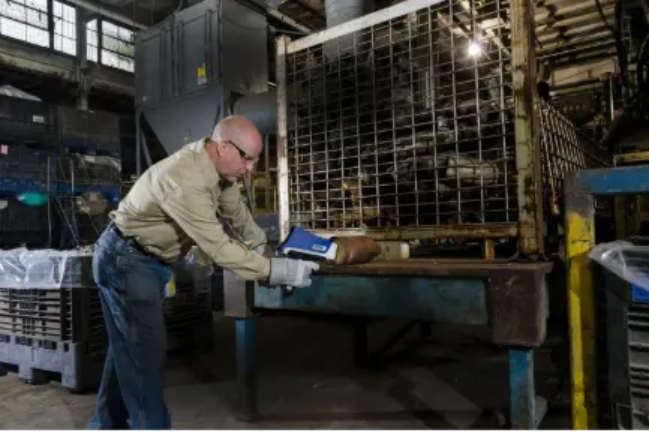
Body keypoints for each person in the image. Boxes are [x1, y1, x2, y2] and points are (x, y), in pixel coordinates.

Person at [88, 116, 318, 431]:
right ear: (223, 146)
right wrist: (276, 271)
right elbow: (219, 247)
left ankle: (104, 425)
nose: (250, 168)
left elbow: (238, 215)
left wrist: (266, 252)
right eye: (247, 159)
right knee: (144, 358)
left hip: (147, 262)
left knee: (128, 347)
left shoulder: (220, 172)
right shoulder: (185, 177)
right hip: (126, 261)